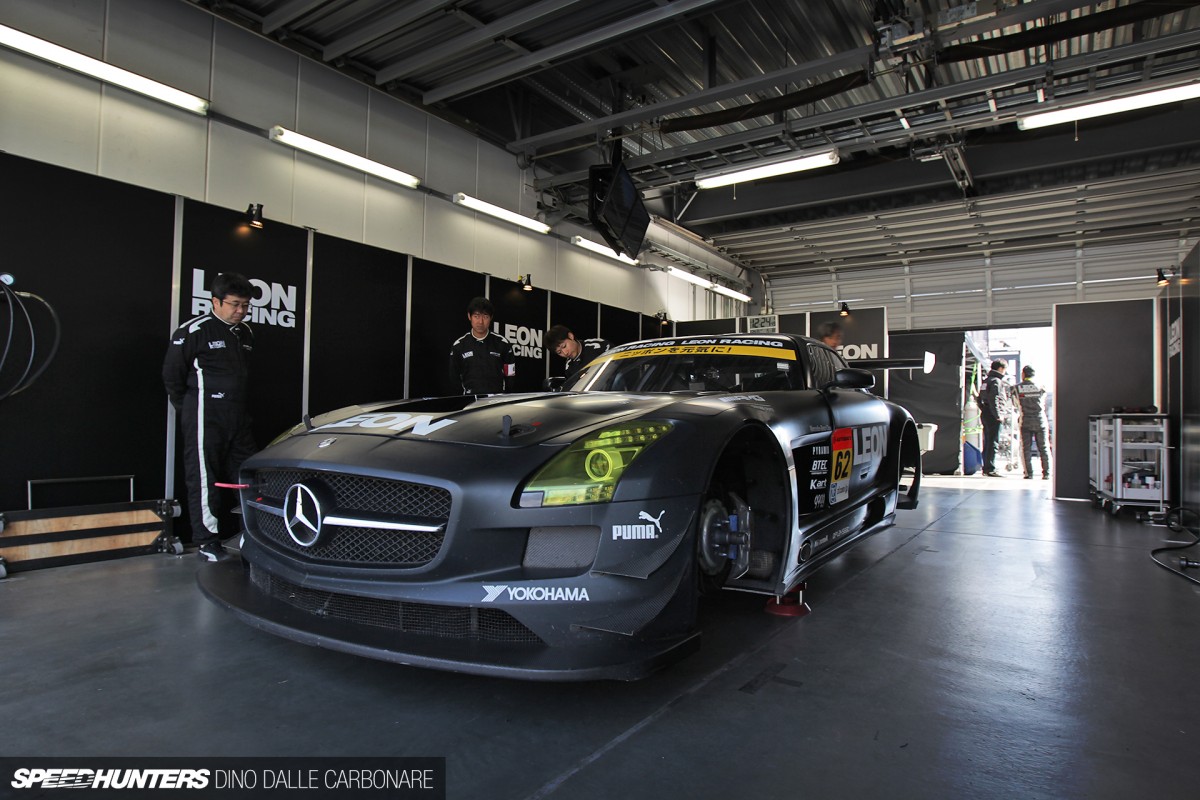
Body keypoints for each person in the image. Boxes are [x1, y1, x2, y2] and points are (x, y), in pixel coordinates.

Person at [163, 272, 258, 561]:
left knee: (248, 476)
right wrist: (192, 409)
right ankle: (206, 540)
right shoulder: (194, 331)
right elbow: (172, 378)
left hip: (238, 417)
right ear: (215, 301)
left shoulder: (246, 333)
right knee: (204, 478)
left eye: (245, 305)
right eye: (234, 304)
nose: (240, 311)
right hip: (204, 415)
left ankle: (254, 535)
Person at [450, 296, 516, 394]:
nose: (480, 322)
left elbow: (510, 375)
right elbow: (453, 378)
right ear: (469, 316)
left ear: (491, 318)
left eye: (485, 316)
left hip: (497, 402)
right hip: (470, 402)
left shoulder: (503, 344)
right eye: (476, 316)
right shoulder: (459, 345)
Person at [1016, 365, 1051, 479]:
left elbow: (1015, 403)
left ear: (1023, 375)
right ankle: (1046, 473)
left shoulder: (1017, 388)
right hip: (1040, 420)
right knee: (1044, 447)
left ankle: (1028, 473)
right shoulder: (1041, 387)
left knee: (1026, 448)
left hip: (1025, 420)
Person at [979, 358, 1011, 478]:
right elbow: (995, 398)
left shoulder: (986, 381)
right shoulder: (996, 381)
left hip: (986, 413)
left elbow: (979, 398)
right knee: (993, 441)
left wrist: (983, 408)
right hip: (993, 415)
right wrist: (998, 415)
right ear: (1001, 368)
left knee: (987, 441)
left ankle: (986, 467)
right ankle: (990, 468)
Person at [545, 324, 611, 382]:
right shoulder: (569, 366)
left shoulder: (599, 346)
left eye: (564, 346)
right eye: (559, 352)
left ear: (570, 336)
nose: (565, 353)